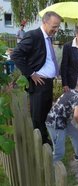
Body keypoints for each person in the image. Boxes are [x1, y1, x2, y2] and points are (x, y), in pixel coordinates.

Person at [11, 11, 62, 145]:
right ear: (44, 22)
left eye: (58, 27)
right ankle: (38, 143)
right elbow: (16, 55)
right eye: (54, 26)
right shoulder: (34, 35)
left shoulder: (47, 37)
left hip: (48, 82)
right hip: (39, 83)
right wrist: (31, 73)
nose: (56, 30)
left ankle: (44, 139)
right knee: (37, 116)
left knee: (45, 113)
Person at [46, 76, 78, 162]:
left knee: (75, 133)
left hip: (63, 120)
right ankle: (51, 170)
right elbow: (76, 115)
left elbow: (76, 113)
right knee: (59, 152)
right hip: (56, 124)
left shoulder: (73, 91)